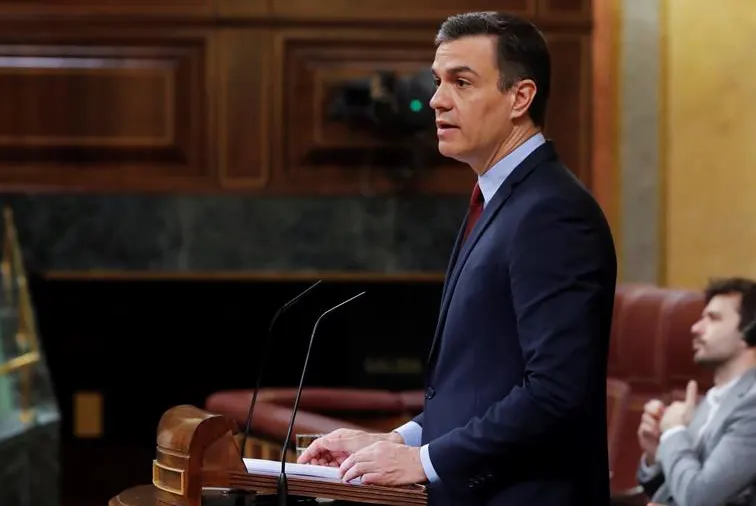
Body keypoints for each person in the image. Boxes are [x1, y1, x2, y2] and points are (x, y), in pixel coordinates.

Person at [297, 10, 617, 506]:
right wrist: (395, 440)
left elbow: (556, 393)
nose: (436, 100)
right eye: (437, 81)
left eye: (461, 82)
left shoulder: (553, 212)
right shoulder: (500, 200)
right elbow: (481, 385)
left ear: (520, 97)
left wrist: (422, 462)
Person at [636, 277, 756, 506]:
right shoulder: (711, 398)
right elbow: (671, 489)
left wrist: (674, 433)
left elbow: (698, 498)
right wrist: (655, 454)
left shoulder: (752, 404)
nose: (695, 328)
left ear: (748, 331)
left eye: (713, 318)